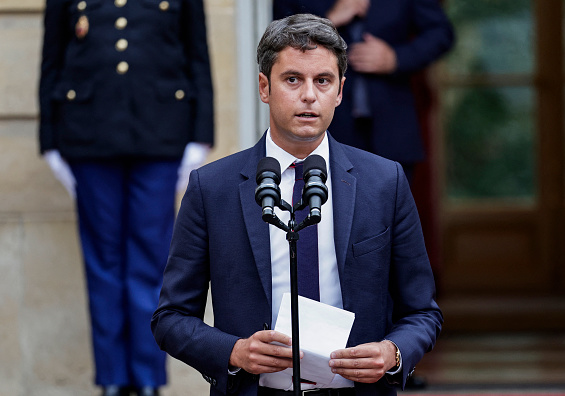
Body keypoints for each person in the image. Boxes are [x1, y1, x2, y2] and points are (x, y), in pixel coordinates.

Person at [151, 13, 441, 396]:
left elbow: (423, 312)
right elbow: (170, 318)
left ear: (339, 91)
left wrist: (392, 353)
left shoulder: (384, 181)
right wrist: (234, 352)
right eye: (292, 80)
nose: (309, 95)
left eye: (323, 81)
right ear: (264, 87)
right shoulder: (212, 187)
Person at [38, 0, 214, 395]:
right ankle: (113, 377)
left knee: (150, 262)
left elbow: (197, 55)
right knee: (103, 263)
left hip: (161, 136)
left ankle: (148, 377)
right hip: (88, 135)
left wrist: (200, 134)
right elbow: (52, 59)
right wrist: (50, 140)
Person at [273, 0, 454, 182]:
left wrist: (396, 58)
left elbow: (441, 33)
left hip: (392, 128)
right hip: (319, 131)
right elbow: (274, 43)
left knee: (391, 208)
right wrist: (327, 23)